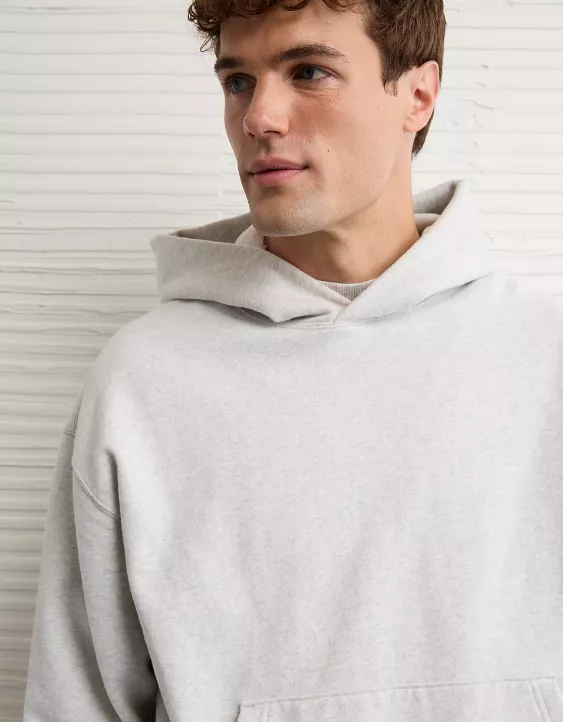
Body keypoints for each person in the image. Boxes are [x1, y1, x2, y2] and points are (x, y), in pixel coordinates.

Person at [23, 0, 563, 719]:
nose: (258, 117)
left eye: (308, 72)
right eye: (238, 81)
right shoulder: (145, 380)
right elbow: (77, 698)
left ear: (417, 94)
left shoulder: (544, 359)